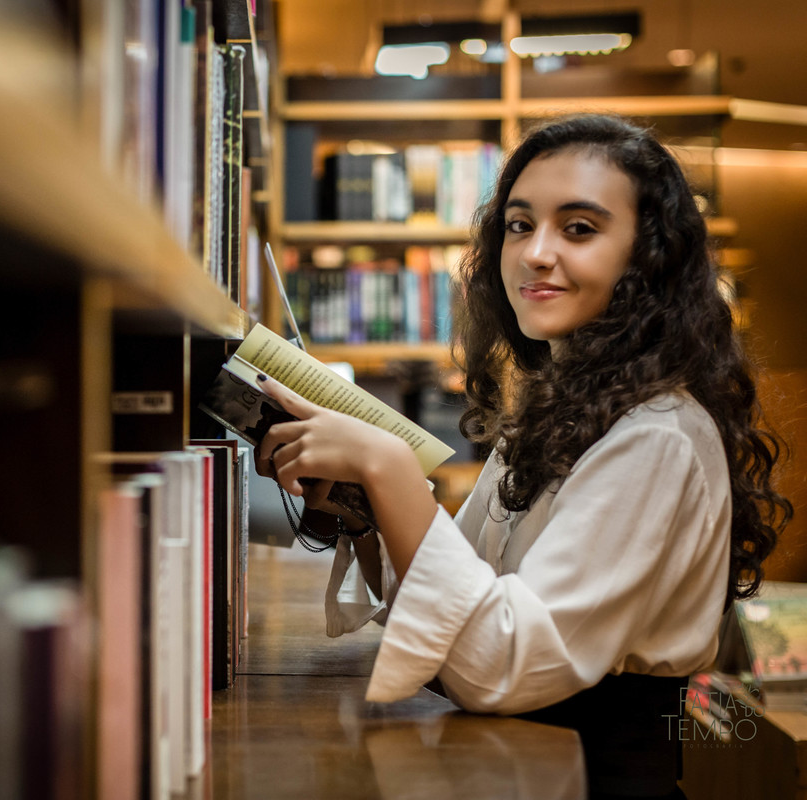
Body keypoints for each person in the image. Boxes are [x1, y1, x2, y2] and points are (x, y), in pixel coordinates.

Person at [256, 113, 792, 800]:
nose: (536, 253)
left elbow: (502, 666)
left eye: (579, 228)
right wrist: (364, 509)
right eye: (518, 224)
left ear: (647, 257)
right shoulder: (561, 405)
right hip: (525, 764)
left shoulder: (657, 432)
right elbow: (464, 610)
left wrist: (392, 471)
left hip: (592, 776)